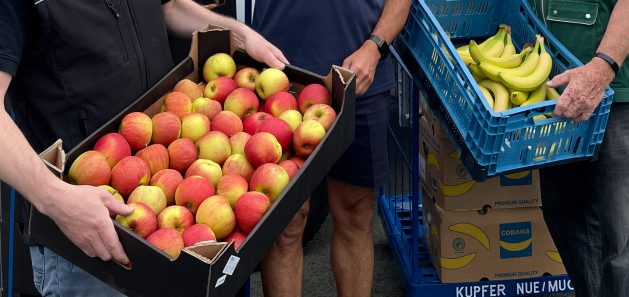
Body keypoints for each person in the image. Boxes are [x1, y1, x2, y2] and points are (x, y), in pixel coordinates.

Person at [0, 0, 287, 296]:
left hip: (168, 181)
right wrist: (54, 197)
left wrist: (238, 33)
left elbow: (169, 6)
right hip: (91, 238)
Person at [251, 0, 411, 296]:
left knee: (355, 212)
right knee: (284, 225)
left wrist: (374, 47)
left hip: (359, 79)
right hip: (280, 75)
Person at [532, 0, 629, 296]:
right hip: (557, 90)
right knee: (569, 223)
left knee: (625, 244)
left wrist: (601, 68)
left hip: (620, 90)